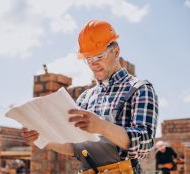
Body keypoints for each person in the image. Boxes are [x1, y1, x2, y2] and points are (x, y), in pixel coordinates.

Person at [21, 20, 158, 174]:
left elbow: (145, 142)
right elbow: (74, 146)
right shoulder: (86, 97)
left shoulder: (139, 89)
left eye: (99, 56)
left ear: (116, 52)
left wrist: (102, 126)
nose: (93, 64)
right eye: (89, 59)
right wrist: (41, 137)